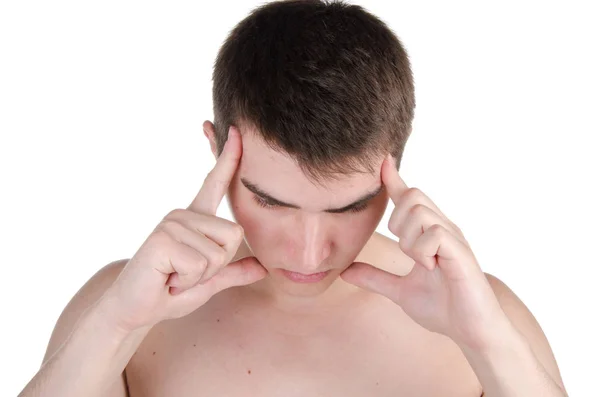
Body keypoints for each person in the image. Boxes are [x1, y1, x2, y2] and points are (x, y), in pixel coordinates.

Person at [19, 1, 568, 396]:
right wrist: (115, 326)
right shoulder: (121, 309)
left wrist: (490, 345)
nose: (308, 255)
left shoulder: (485, 318)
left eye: (349, 207)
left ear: (395, 166)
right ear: (216, 151)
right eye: (272, 203)